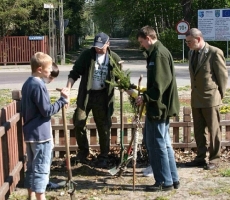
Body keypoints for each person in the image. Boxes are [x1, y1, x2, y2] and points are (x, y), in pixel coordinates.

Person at [66, 32, 121, 168]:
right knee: (79, 121)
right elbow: (75, 72)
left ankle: (103, 156)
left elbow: (120, 78)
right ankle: (84, 152)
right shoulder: (87, 55)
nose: (98, 48)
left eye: (101, 46)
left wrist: (126, 88)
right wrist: (67, 88)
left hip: (103, 97)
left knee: (103, 127)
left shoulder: (114, 58)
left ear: (108, 44)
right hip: (86, 95)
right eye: (96, 46)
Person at [135, 25, 180, 192]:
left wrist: (145, 97)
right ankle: (172, 178)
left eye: (141, 42)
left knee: (157, 144)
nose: (141, 46)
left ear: (148, 38)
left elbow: (160, 85)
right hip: (160, 105)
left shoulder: (159, 54)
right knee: (164, 143)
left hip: (159, 106)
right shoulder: (156, 52)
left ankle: (163, 181)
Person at [21, 52, 69, 200]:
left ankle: (31, 196)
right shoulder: (39, 85)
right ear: (40, 69)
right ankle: (40, 197)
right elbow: (46, 111)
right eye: (48, 69)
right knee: (41, 169)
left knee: (31, 168)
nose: (50, 72)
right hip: (41, 135)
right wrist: (62, 100)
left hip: (30, 133)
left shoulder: (27, 83)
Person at [185, 28, 228, 170]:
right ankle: (200, 157)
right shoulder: (192, 53)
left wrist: (219, 95)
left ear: (198, 39)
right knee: (198, 130)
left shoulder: (215, 53)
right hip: (196, 98)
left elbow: (222, 77)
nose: (188, 45)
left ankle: (214, 158)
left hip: (211, 98)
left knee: (213, 130)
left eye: (189, 42)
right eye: (186, 42)